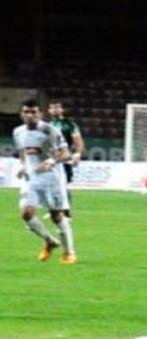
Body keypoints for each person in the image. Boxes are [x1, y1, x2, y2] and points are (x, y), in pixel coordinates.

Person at [13, 99, 77, 264]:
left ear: (40, 114)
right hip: (31, 179)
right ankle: (49, 241)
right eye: (26, 112)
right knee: (26, 214)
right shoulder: (18, 132)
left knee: (56, 215)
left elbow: (66, 154)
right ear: (21, 114)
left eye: (33, 112)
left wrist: (51, 161)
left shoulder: (50, 130)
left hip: (52, 178)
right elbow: (22, 152)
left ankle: (69, 252)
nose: (29, 115)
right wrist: (22, 165)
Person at [47, 100, 85, 218]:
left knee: (64, 185)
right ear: (48, 110)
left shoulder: (69, 124)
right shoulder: (47, 125)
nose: (55, 110)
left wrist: (78, 154)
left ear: (62, 110)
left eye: (57, 107)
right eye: (52, 108)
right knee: (51, 185)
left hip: (64, 158)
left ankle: (66, 211)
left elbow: (78, 140)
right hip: (51, 159)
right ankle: (55, 210)